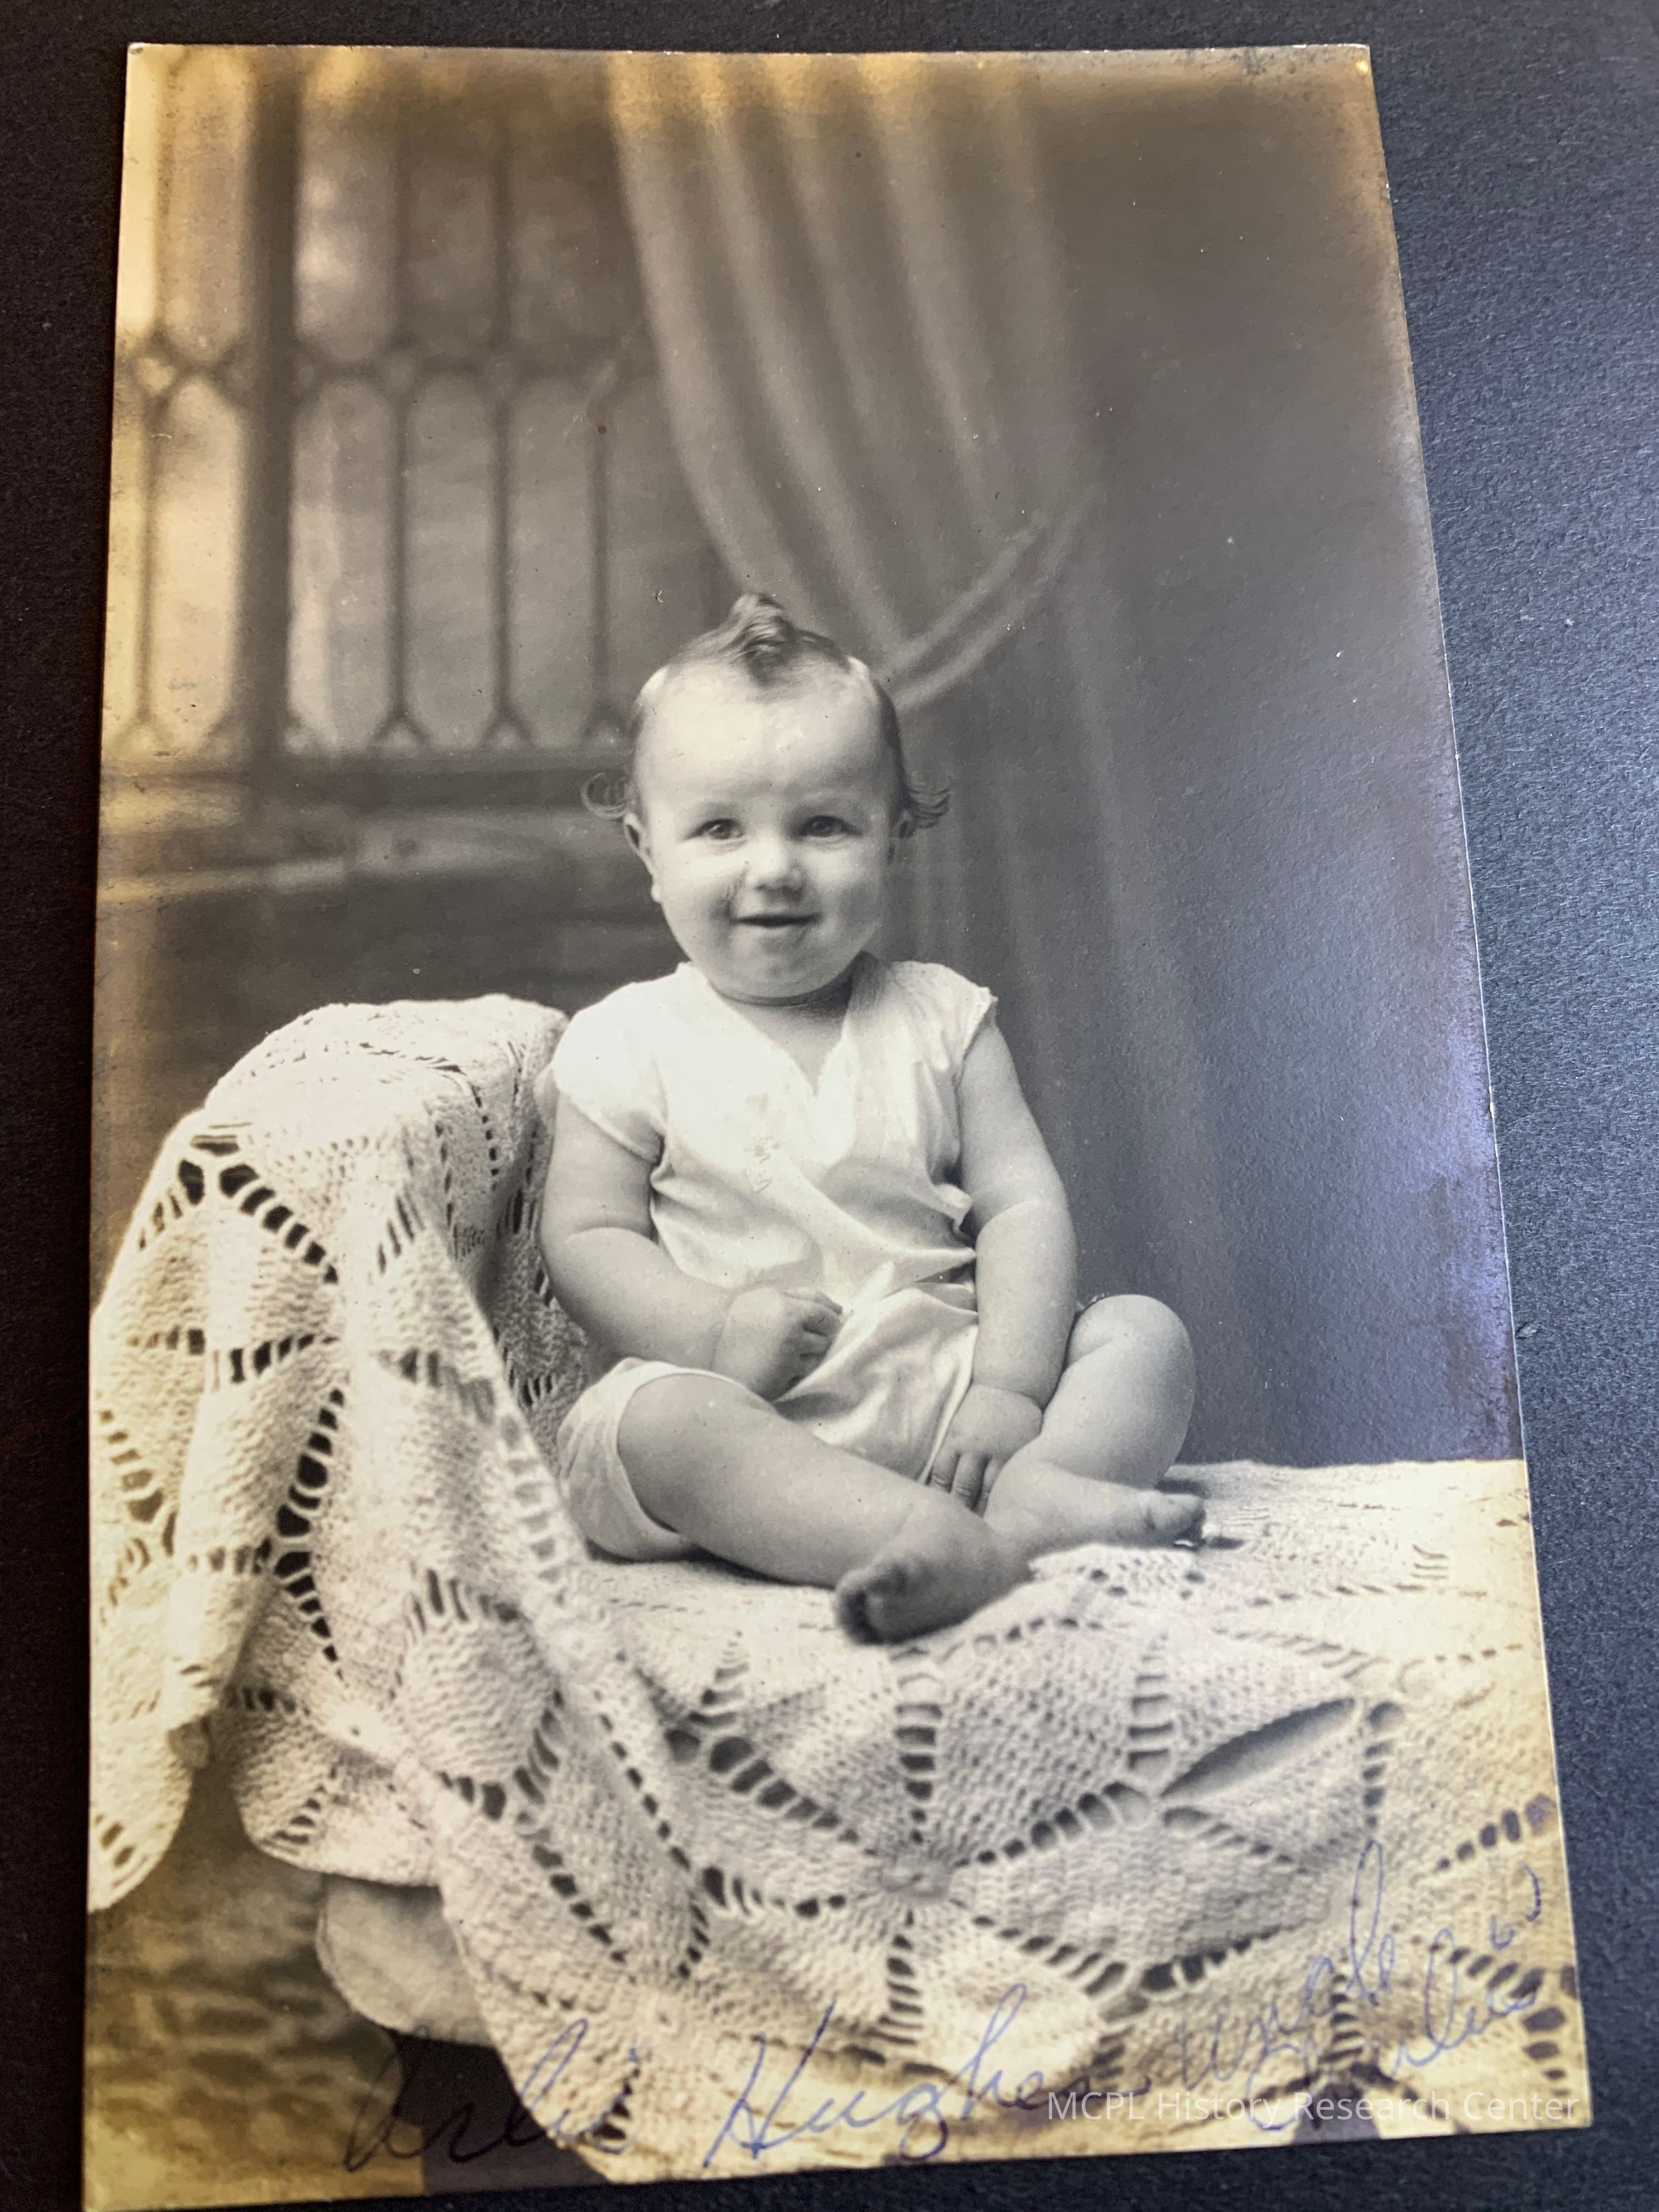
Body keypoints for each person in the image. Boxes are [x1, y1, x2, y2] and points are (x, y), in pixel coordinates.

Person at [538, 594, 1199, 1642]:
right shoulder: (627, 1040)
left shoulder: (944, 1018)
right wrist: (711, 1331)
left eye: (823, 825)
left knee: (1143, 1336)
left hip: (943, 1403)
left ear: (893, 838)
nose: (774, 867)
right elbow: (587, 1235)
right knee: (656, 1426)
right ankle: (911, 1534)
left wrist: (1009, 1390)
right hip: (747, 1404)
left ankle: (1035, 1490)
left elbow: (1021, 1206)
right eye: (719, 828)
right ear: (646, 847)